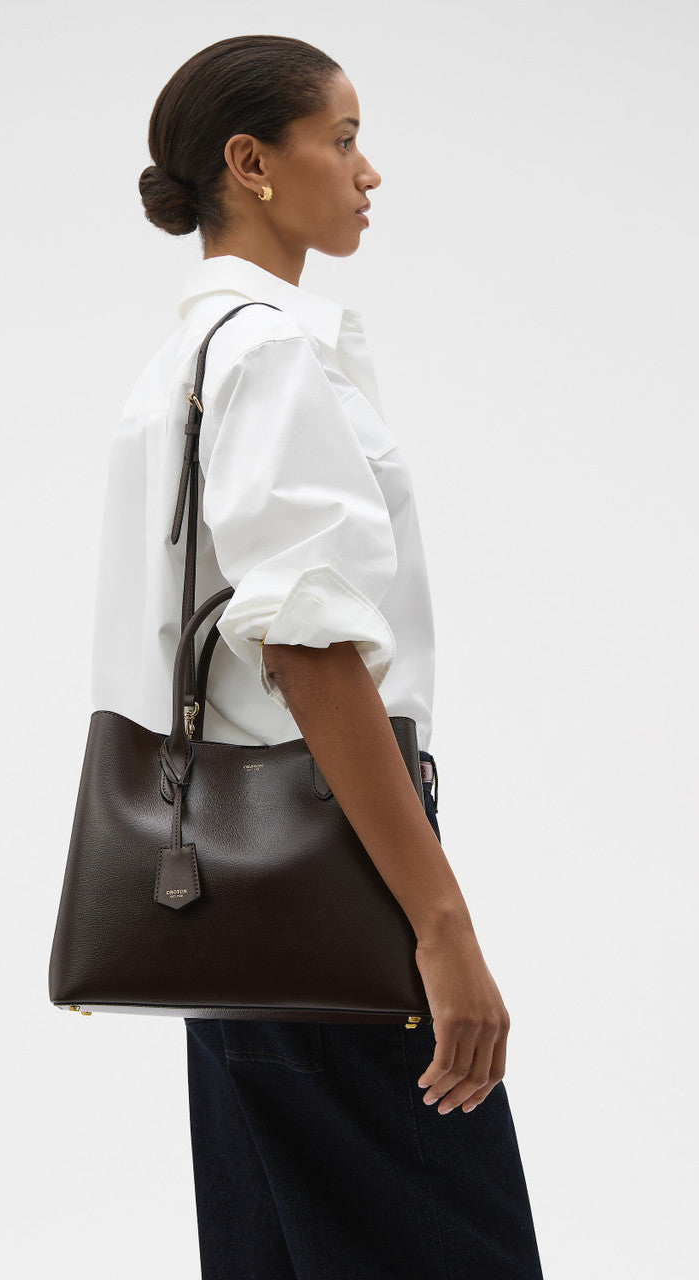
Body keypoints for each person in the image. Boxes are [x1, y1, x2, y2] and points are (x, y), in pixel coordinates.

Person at [92, 33, 545, 1280]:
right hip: (329, 872)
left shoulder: (178, 368)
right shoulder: (271, 353)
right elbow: (307, 647)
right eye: (341, 140)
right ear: (250, 163)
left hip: (223, 897)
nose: (367, 171)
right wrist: (440, 922)